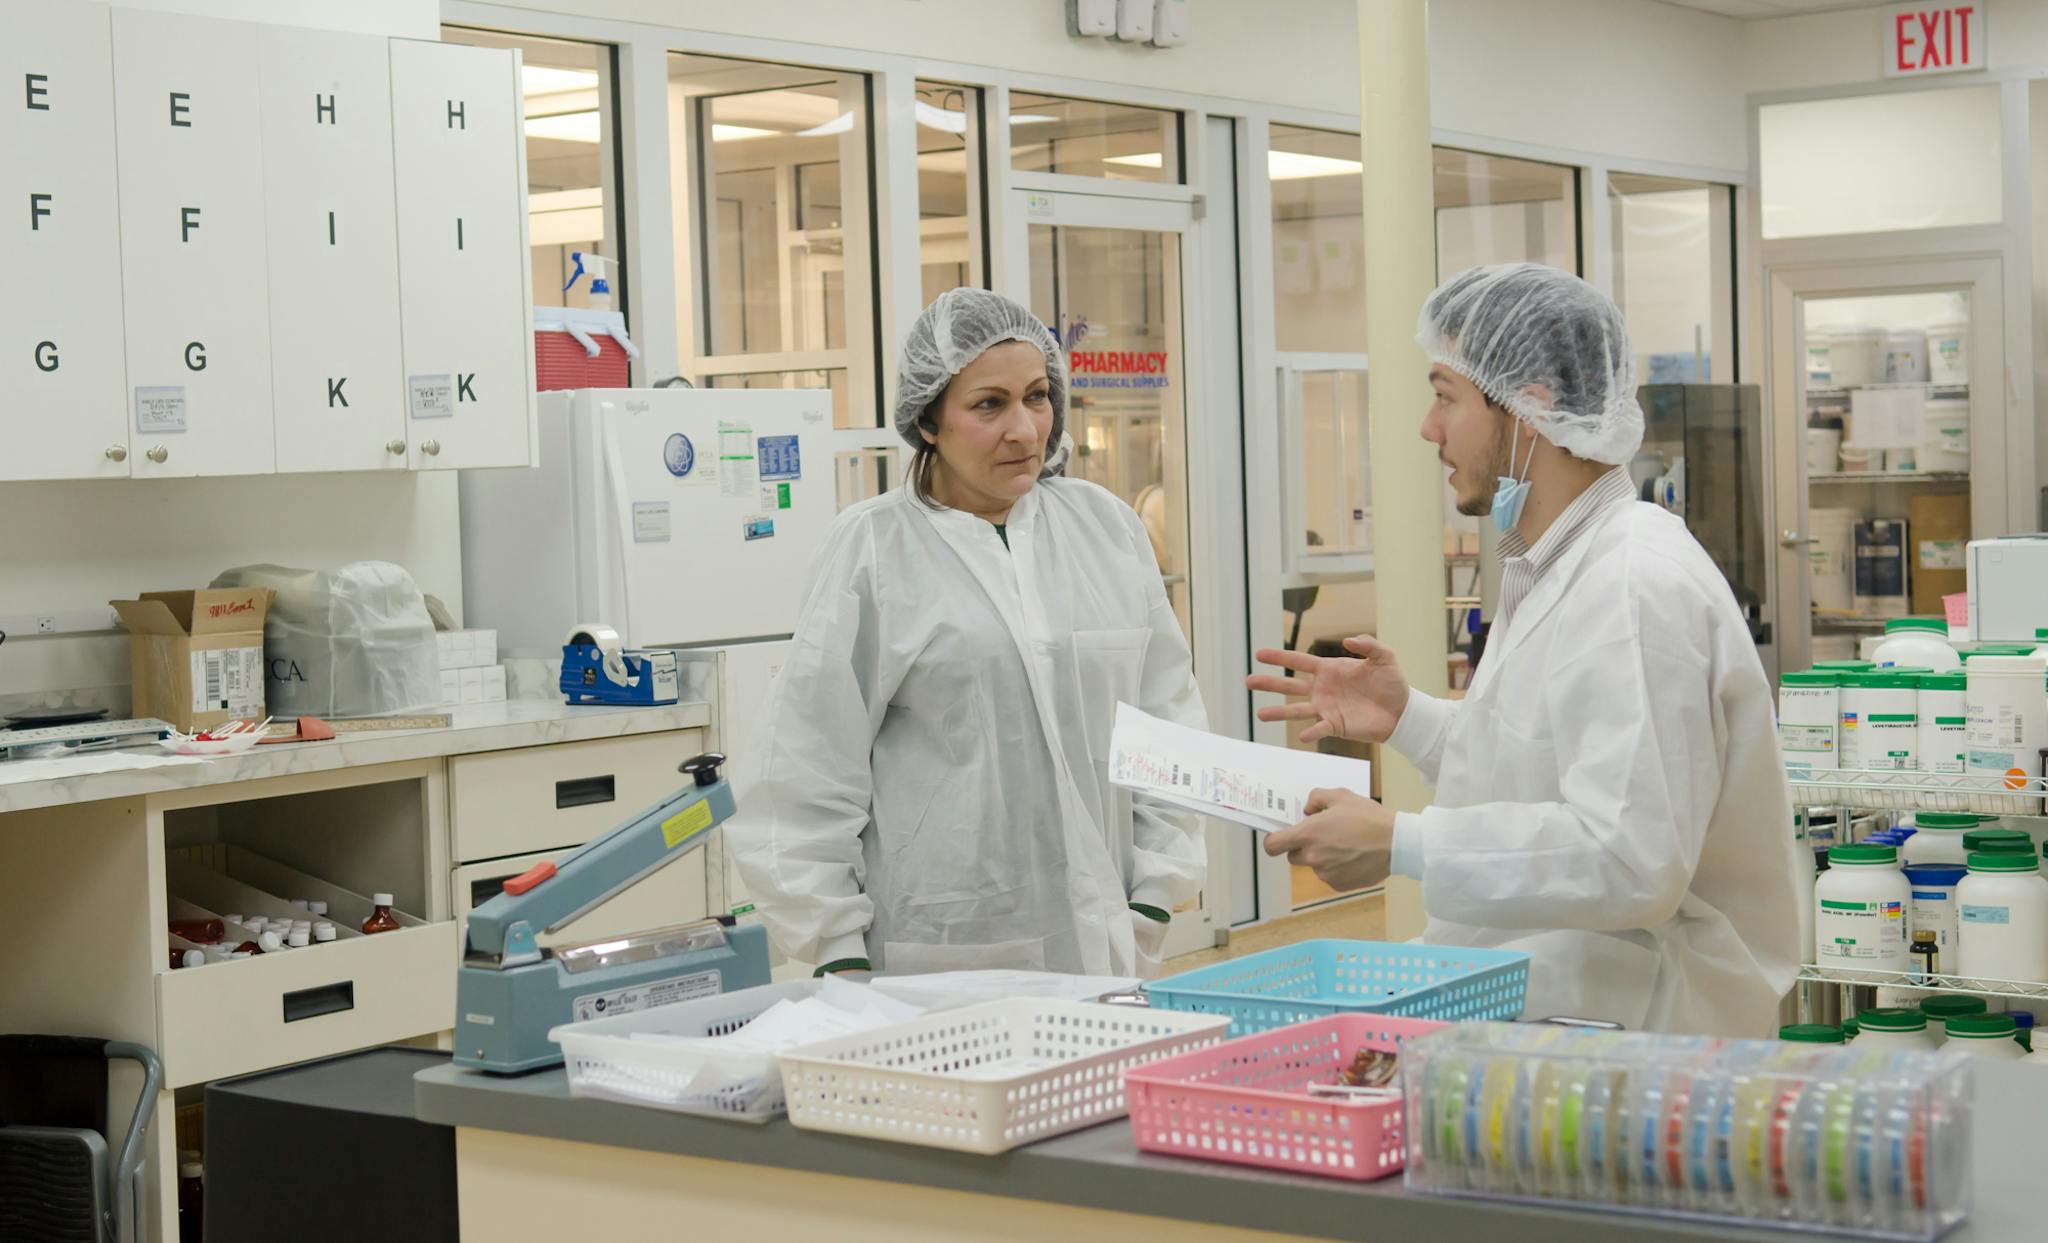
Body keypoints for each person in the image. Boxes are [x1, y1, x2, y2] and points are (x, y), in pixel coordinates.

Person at [1247, 263, 1804, 1036]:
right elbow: (1538, 767)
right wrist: (1409, 718)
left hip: (1645, 1037)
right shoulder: (1555, 563)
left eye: (1446, 395)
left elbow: (1628, 858)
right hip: (1565, 1006)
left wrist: (1400, 841)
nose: (1427, 428)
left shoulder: (1633, 585)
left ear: (1530, 406)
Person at [728, 288, 1207, 979]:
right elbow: (803, 767)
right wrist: (834, 945)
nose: (1024, 429)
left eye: (1038, 396)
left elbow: (1166, 721)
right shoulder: (873, 550)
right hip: (943, 946)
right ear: (929, 421)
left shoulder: (1103, 529)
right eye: (990, 405)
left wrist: (1159, 891)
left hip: (1109, 939)